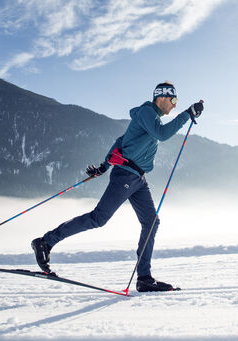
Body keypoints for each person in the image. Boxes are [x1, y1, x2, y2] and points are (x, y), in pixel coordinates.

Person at [31, 82, 203, 292]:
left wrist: (104, 165)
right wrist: (187, 114)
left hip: (138, 179)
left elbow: (121, 141)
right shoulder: (147, 112)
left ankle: (144, 278)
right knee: (98, 218)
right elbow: (163, 134)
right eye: (174, 100)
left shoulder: (149, 118)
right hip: (126, 175)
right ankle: (45, 242)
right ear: (161, 97)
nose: (175, 105)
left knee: (151, 222)